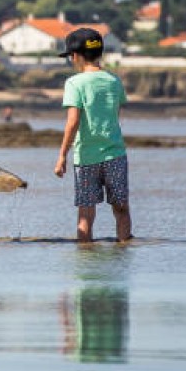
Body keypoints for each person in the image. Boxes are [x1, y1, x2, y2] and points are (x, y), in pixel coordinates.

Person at [52, 28, 132, 243]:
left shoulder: (74, 83)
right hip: (115, 155)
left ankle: (86, 260)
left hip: (86, 158)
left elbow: (73, 122)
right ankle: (123, 252)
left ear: (75, 56)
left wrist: (62, 156)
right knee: (121, 209)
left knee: (86, 215)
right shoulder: (114, 81)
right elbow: (114, 115)